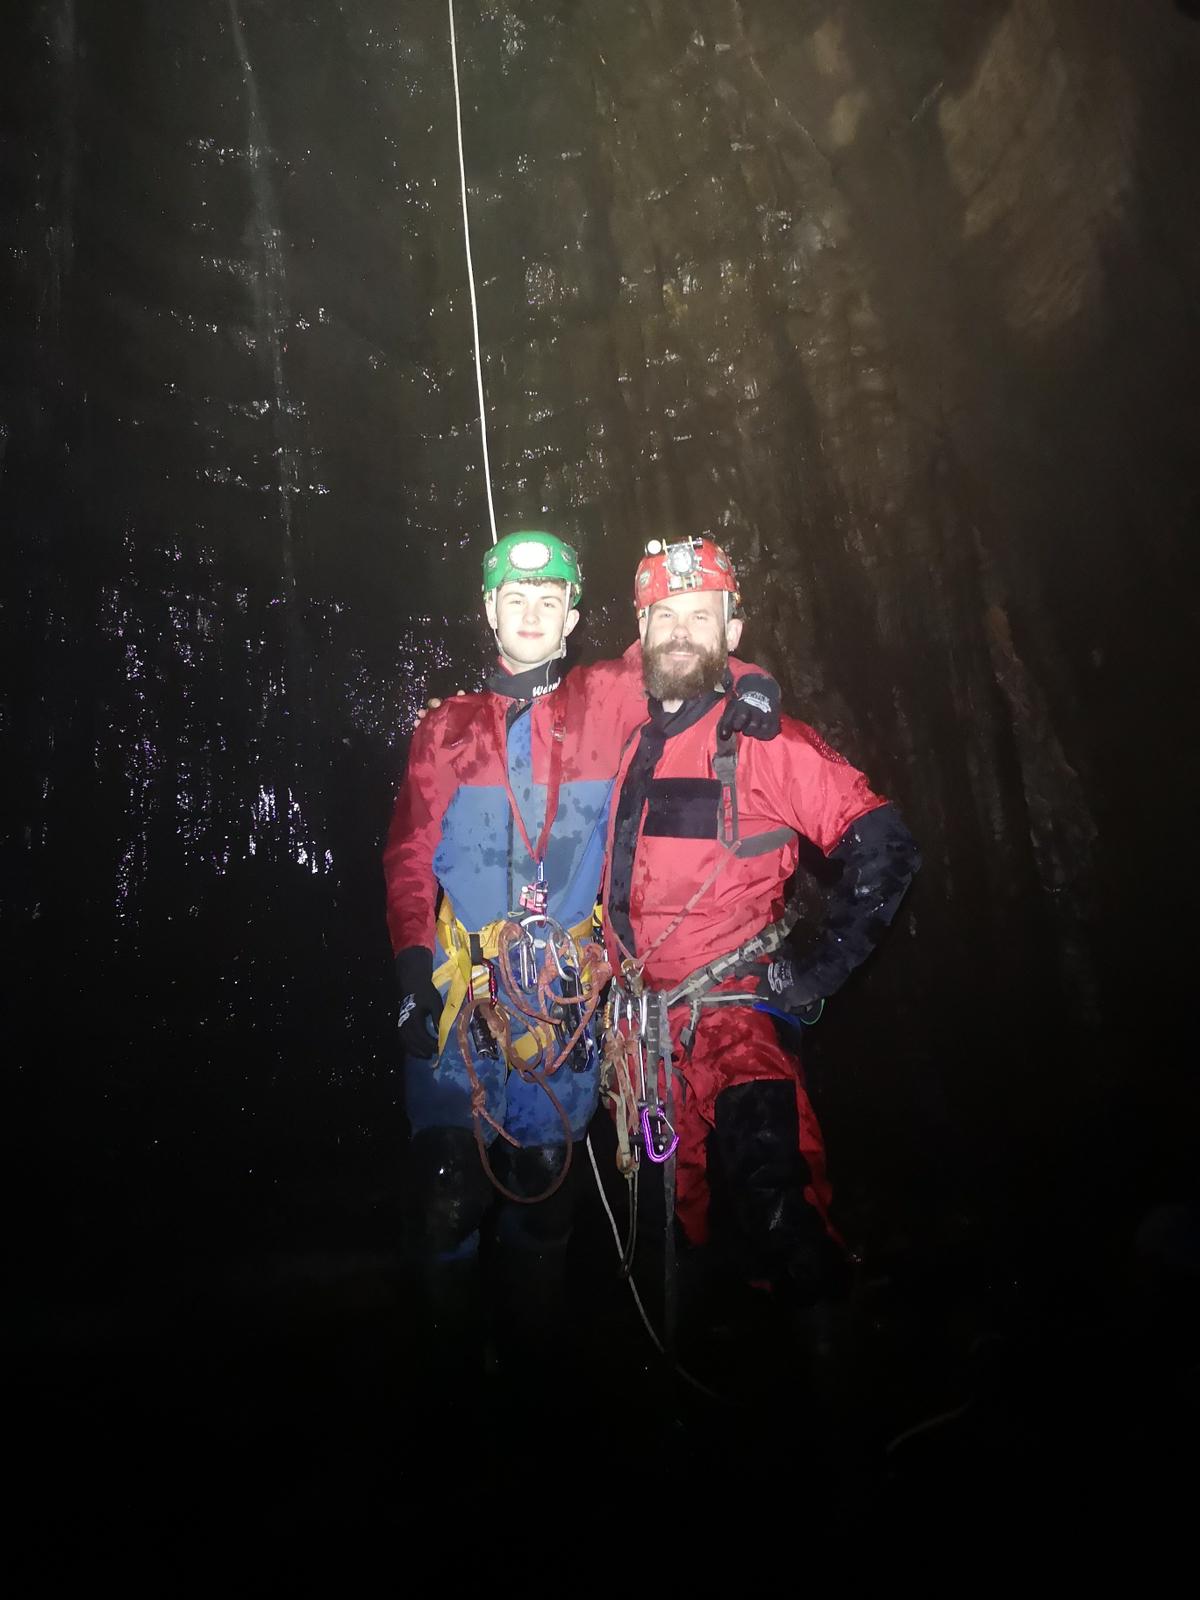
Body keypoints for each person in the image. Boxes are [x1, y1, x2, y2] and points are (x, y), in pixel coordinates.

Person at [382, 530, 781, 1403]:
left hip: (562, 1003)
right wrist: (413, 964)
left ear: (570, 618)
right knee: (448, 1189)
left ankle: (533, 1385)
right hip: (467, 999)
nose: (528, 613)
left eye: (547, 600)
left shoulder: (606, 701)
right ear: (488, 613)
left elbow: (688, 648)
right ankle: (442, 1385)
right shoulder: (445, 729)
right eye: (511, 599)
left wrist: (752, 686)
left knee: (543, 1195)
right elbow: (410, 854)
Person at [599, 535, 921, 1368]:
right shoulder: (615, 739)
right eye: (664, 615)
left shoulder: (765, 740)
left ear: (731, 631)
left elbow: (882, 843)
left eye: (698, 617)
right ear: (641, 628)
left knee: (778, 1200)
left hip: (736, 1017)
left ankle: (837, 1429)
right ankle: (700, 1410)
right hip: (641, 1038)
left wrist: (818, 971)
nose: (679, 631)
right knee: (664, 1235)